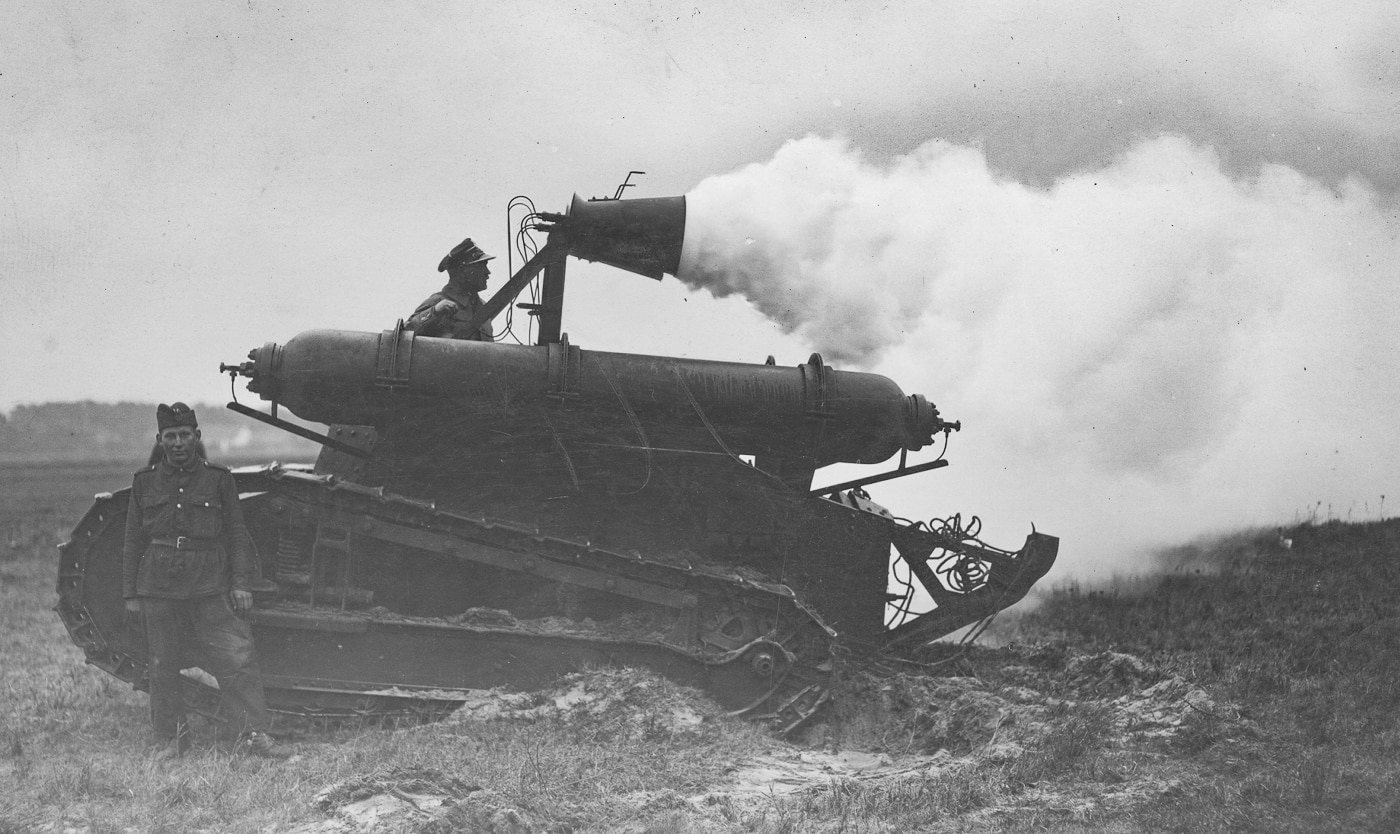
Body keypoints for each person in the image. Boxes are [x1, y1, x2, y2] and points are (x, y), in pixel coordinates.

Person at [122, 402, 290, 760]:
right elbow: (132, 540)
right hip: (158, 586)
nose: (178, 442)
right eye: (170, 436)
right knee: (162, 664)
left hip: (210, 584)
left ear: (196, 437)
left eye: (184, 435)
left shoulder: (218, 478)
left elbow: (236, 534)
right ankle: (172, 740)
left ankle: (253, 736)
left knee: (237, 658)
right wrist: (130, 594)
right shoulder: (144, 482)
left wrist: (240, 583)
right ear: (160, 440)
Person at [404, 237, 496, 340]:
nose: (487, 272)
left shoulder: (482, 306)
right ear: (462, 271)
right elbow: (405, 334)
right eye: (481, 266)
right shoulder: (438, 302)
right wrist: (435, 311)